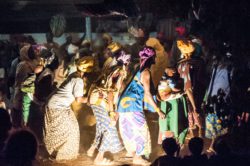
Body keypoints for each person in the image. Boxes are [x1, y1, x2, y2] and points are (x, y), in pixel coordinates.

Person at [117, 46, 165, 165]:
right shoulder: (146, 72)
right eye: (154, 56)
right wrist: (158, 110)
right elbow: (148, 94)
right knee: (141, 130)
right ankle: (138, 157)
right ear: (151, 58)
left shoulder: (138, 69)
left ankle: (132, 153)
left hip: (123, 104)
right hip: (132, 104)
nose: (156, 58)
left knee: (129, 129)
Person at [43, 56, 94, 161]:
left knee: (68, 128)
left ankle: (58, 153)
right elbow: (79, 99)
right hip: (58, 106)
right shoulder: (78, 80)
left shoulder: (74, 75)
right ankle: (60, 155)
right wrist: (92, 100)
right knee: (70, 130)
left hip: (58, 104)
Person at [87, 50, 131, 165]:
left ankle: (92, 149)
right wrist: (112, 113)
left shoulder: (112, 68)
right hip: (101, 101)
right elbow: (111, 93)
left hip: (96, 100)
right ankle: (99, 158)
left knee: (102, 127)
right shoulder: (120, 72)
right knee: (110, 127)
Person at [157, 65, 188, 146]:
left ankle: (166, 144)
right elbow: (175, 89)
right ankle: (173, 144)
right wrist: (181, 92)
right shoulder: (168, 80)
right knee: (173, 123)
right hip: (171, 102)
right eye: (173, 72)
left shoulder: (161, 78)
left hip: (166, 103)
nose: (174, 73)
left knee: (166, 124)